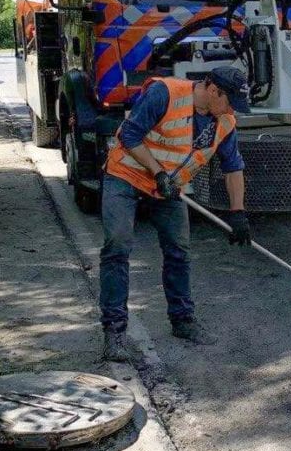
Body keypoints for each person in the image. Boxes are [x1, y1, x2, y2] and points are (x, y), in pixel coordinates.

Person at [99, 66, 252, 361]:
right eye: (229, 101)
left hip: (166, 188)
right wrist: (157, 172)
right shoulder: (166, 93)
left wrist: (238, 213)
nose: (232, 109)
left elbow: (233, 167)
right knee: (117, 245)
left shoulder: (225, 122)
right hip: (126, 177)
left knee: (179, 250)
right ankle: (114, 333)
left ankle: (183, 321)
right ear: (212, 89)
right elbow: (129, 135)